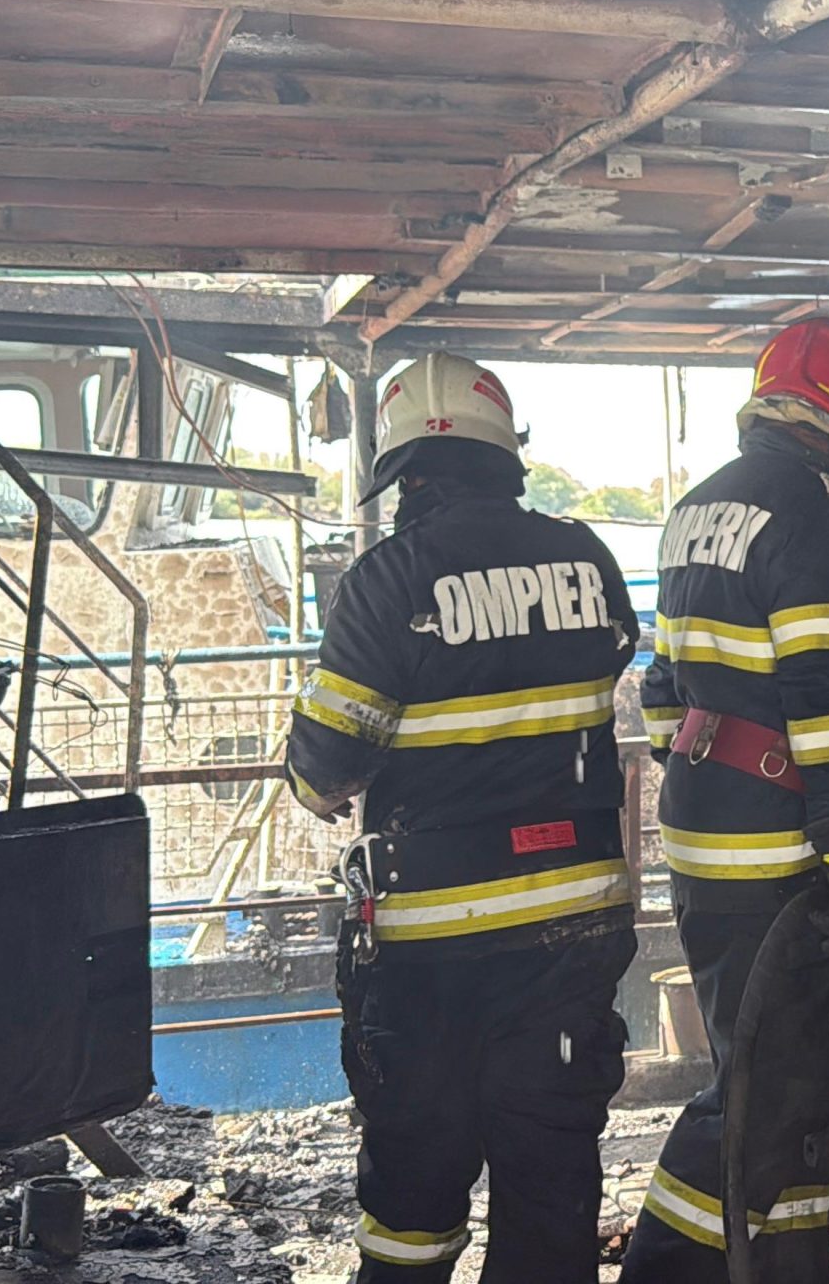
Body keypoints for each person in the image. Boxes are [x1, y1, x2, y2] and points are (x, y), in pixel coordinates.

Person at [285, 352, 640, 1284]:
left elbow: (322, 776)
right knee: (550, 1184)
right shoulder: (591, 560)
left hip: (434, 948)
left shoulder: (387, 580)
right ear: (505, 455)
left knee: (416, 1187)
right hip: (574, 926)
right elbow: (607, 667)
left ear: (404, 474)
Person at [620, 318, 829, 1283]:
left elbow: (663, 692)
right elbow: (823, 697)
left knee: (792, 1087)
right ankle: (661, 1269)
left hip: (706, 829)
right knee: (760, 1095)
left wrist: (712, 781)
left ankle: (789, 1270)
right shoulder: (813, 515)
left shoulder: (695, 508)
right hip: (775, 850)